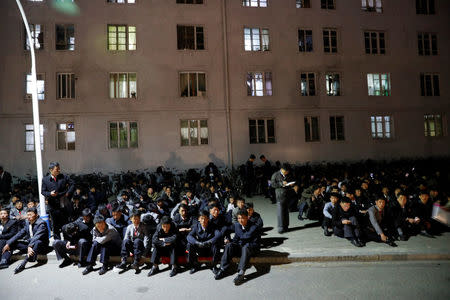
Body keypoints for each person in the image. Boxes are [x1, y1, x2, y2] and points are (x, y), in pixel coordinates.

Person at [214, 209, 261, 285]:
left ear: (247, 217)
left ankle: (241, 273)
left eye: (242, 218)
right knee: (229, 245)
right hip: (241, 248)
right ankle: (223, 269)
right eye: (239, 218)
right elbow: (234, 237)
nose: (240, 220)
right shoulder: (237, 225)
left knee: (246, 246)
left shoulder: (254, 227)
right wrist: (228, 240)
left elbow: (247, 237)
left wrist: (240, 241)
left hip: (252, 249)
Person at [1, 207, 49, 274]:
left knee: (37, 242)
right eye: (28, 215)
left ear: (36, 215)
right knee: (13, 242)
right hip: (30, 245)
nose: (28, 217)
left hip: (41, 246)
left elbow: (37, 237)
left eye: (30, 215)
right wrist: (8, 243)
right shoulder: (27, 223)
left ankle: (24, 263)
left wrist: (30, 246)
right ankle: (4, 260)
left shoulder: (41, 223)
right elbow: (19, 234)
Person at [41, 162, 75, 240]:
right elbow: (43, 192)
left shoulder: (64, 177)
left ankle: (67, 241)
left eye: (59, 168)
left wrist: (68, 193)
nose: (59, 170)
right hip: (52, 206)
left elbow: (73, 184)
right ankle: (57, 243)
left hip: (63, 204)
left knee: (65, 224)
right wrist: (50, 193)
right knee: (55, 225)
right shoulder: (45, 179)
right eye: (57, 169)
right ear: (51, 170)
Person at [271, 163, 292, 233]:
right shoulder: (275, 175)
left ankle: (286, 226)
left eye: (288, 172)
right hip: (280, 196)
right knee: (280, 212)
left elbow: (289, 181)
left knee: (286, 212)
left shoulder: (288, 174)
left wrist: (290, 184)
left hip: (287, 195)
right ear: (282, 170)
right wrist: (281, 184)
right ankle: (280, 227)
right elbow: (272, 184)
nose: (287, 173)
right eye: (286, 171)